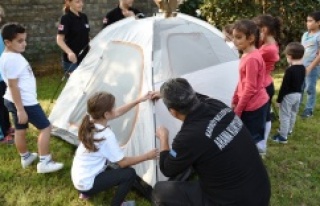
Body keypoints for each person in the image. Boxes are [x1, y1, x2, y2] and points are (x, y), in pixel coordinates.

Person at [152, 78, 270, 206]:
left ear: (173, 112)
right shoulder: (215, 104)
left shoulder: (188, 137)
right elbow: (196, 97)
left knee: (160, 192)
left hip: (234, 202)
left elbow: (167, 169)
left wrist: (164, 138)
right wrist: (166, 95)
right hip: (261, 191)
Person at [71, 91, 158, 206]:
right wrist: (147, 156)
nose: (115, 109)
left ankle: (85, 192)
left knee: (113, 168)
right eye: (113, 107)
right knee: (129, 173)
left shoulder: (90, 121)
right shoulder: (106, 135)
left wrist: (138, 100)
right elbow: (123, 163)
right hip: (87, 183)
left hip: (79, 179)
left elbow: (116, 113)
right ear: (106, 114)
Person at [0, 23, 63, 173]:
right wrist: (21, 109)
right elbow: (13, 85)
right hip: (25, 103)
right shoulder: (12, 59)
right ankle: (45, 161)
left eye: (25, 40)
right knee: (46, 128)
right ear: (8, 42)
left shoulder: (9, 56)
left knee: (20, 129)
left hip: (13, 100)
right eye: (20, 41)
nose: (24, 44)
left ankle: (26, 156)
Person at [232, 19, 269, 146]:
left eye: (238, 37)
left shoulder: (252, 59)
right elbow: (242, 80)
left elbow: (250, 88)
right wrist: (235, 97)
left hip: (254, 106)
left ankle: (252, 163)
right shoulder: (246, 54)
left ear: (251, 38)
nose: (234, 41)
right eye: (234, 37)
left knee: (250, 140)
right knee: (245, 138)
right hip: (248, 102)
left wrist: (238, 109)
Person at [253, 14, 281, 154]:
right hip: (266, 83)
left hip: (263, 85)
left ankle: (261, 146)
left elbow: (250, 56)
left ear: (263, 29)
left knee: (263, 117)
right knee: (266, 115)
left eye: (256, 30)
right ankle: (262, 145)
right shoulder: (269, 44)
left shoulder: (267, 49)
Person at [272, 43, 305, 143]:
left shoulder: (289, 70)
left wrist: (279, 100)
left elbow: (284, 87)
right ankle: (288, 130)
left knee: (285, 115)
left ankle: (283, 136)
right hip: (298, 95)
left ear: (289, 56)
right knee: (293, 113)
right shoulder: (303, 68)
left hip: (289, 96)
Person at [57, 0, 90, 74]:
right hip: (72, 60)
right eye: (77, 2)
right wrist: (69, 52)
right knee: (75, 84)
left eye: (82, 1)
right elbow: (59, 40)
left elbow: (86, 36)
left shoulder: (84, 17)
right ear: (68, 2)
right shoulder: (65, 19)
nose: (81, 4)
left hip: (85, 58)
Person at [300, 11, 320, 118]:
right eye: (307, 21)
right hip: (301, 66)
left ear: (318, 23)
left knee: (310, 88)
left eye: (310, 21)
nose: (308, 23)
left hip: (313, 67)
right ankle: (297, 105)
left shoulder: (319, 36)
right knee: (300, 87)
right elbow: (301, 50)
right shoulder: (305, 35)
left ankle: (309, 109)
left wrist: (310, 67)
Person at [0, 5, 14, 144]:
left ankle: (7, 127)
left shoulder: (0, 34)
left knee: (4, 104)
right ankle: (1, 135)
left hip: (2, 77)